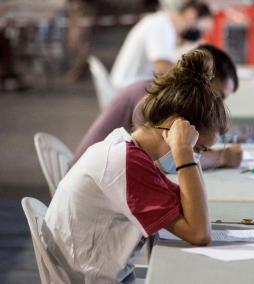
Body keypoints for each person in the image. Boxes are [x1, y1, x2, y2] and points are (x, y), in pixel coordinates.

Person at [42, 48, 227, 283]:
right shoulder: (128, 166)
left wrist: (187, 152)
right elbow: (200, 233)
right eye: (198, 148)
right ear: (175, 128)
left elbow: (188, 209)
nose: (198, 157)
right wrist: (183, 152)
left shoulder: (130, 151)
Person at [71, 44, 242, 170]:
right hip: (94, 174)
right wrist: (222, 157)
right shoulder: (160, 101)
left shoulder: (162, 90)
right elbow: (166, 162)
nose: (218, 104)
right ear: (204, 81)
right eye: (219, 96)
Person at [110, 0, 213, 90]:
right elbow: (162, 69)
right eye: (202, 31)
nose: (200, 35)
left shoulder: (163, 23)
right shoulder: (162, 25)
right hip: (127, 90)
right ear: (192, 15)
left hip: (130, 87)